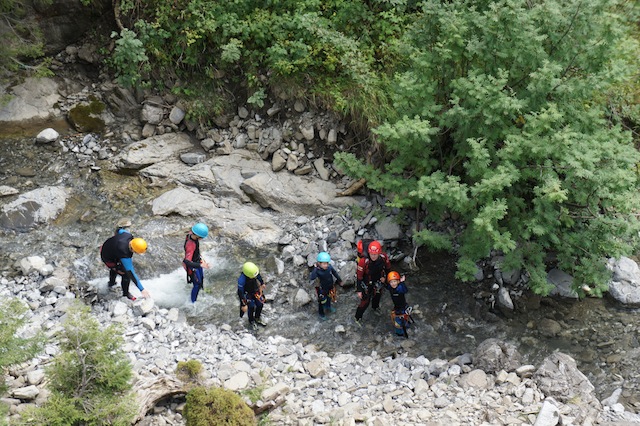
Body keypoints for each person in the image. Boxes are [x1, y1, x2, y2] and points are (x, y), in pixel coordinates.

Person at [100, 233, 150, 301]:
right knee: (125, 274)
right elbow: (130, 272)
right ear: (132, 249)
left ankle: (111, 283)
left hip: (106, 246)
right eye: (135, 252)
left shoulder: (128, 235)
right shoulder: (124, 253)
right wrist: (142, 289)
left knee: (117, 267)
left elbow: (119, 230)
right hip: (107, 257)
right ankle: (125, 294)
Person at [354, 240, 391, 325]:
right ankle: (357, 317)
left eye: (375, 254)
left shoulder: (383, 257)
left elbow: (388, 269)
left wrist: (387, 279)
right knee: (365, 302)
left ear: (379, 253)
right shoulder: (363, 261)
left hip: (378, 280)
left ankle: (375, 307)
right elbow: (359, 277)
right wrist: (359, 290)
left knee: (378, 295)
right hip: (367, 282)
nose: (373, 256)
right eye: (371, 254)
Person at [309, 252, 342, 321]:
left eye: (327, 263)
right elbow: (312, 277)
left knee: (329, 297)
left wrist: (339, 280)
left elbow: (334, 273)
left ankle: (328, 306)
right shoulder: (317, 271)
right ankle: (321, 313)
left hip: (329, 286)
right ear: (319, 263)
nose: (326, 265)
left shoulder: (329, 267)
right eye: (324, 264)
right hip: (321, 289)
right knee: (322, 301)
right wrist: (315, 269)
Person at [183, 223, 210, 303]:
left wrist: (200, 258)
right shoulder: (191, 245)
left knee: (201, 278)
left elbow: (196, 251)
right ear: (198, 236)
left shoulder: (192, 235)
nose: (202, 239)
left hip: (197, 261)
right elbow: (187, 261)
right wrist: (200, 265)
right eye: (201, 237)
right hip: (193, 266)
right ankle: (193, 302)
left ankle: (202, 291)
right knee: (197, 284)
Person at [237, 262, 267, 330]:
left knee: (260, 304)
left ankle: (257, 317)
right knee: (251, 307)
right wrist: (244, 304)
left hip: (255, 289)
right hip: (247, 293)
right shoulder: (241, 280)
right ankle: (251, 321)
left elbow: (258, 276)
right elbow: (240, 293)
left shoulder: (253, 272)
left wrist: (262, 283)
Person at [385, 271, 413, 338]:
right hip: (397, 307)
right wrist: (383, 281)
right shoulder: (390, 287)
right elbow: (387, 287)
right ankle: (406, 326)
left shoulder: (400, 288)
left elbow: (405, 290)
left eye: (395, 281)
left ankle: (400, 334)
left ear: (398, 281)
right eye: (391, 282)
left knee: (399, 322)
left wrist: (402, 282)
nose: (393, 284)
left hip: (402, 307)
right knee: (401, 320)